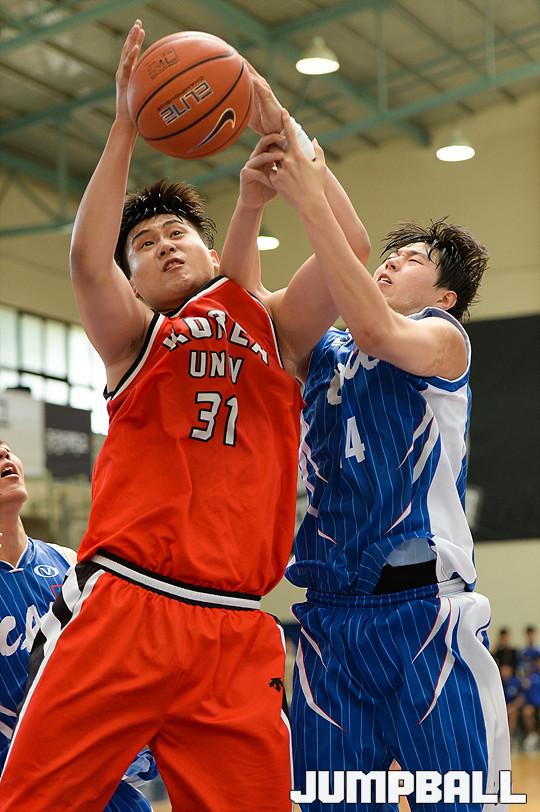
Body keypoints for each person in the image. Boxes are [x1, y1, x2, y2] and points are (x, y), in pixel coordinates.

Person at [0, 21, 369, 812]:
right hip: (125, 604)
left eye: (177, 234)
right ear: (132, 279)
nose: (164, 246)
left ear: (209, 252)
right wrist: (125, 125)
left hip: (234, 627)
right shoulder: (136, 337)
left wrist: (282, 125)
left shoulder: (275, 327)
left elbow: (351, 245)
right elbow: (84, 259)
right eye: (143, 244)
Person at [219, 109, 511, 809]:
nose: (391, 261)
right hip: (328, 621)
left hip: (425, 617)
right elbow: (248, 309)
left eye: (413, 260)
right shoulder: (325, 350)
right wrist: (261, 186)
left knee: (458, 802)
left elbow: (377, 329)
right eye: (391, 253)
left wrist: (310, 194)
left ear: (445, 297)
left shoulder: (443, 340)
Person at [0, 441, 156, 811]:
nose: (4, 454)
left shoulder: (69, 563)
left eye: (6, 448)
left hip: (101, 781)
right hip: (23, 785)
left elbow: (114, 665)